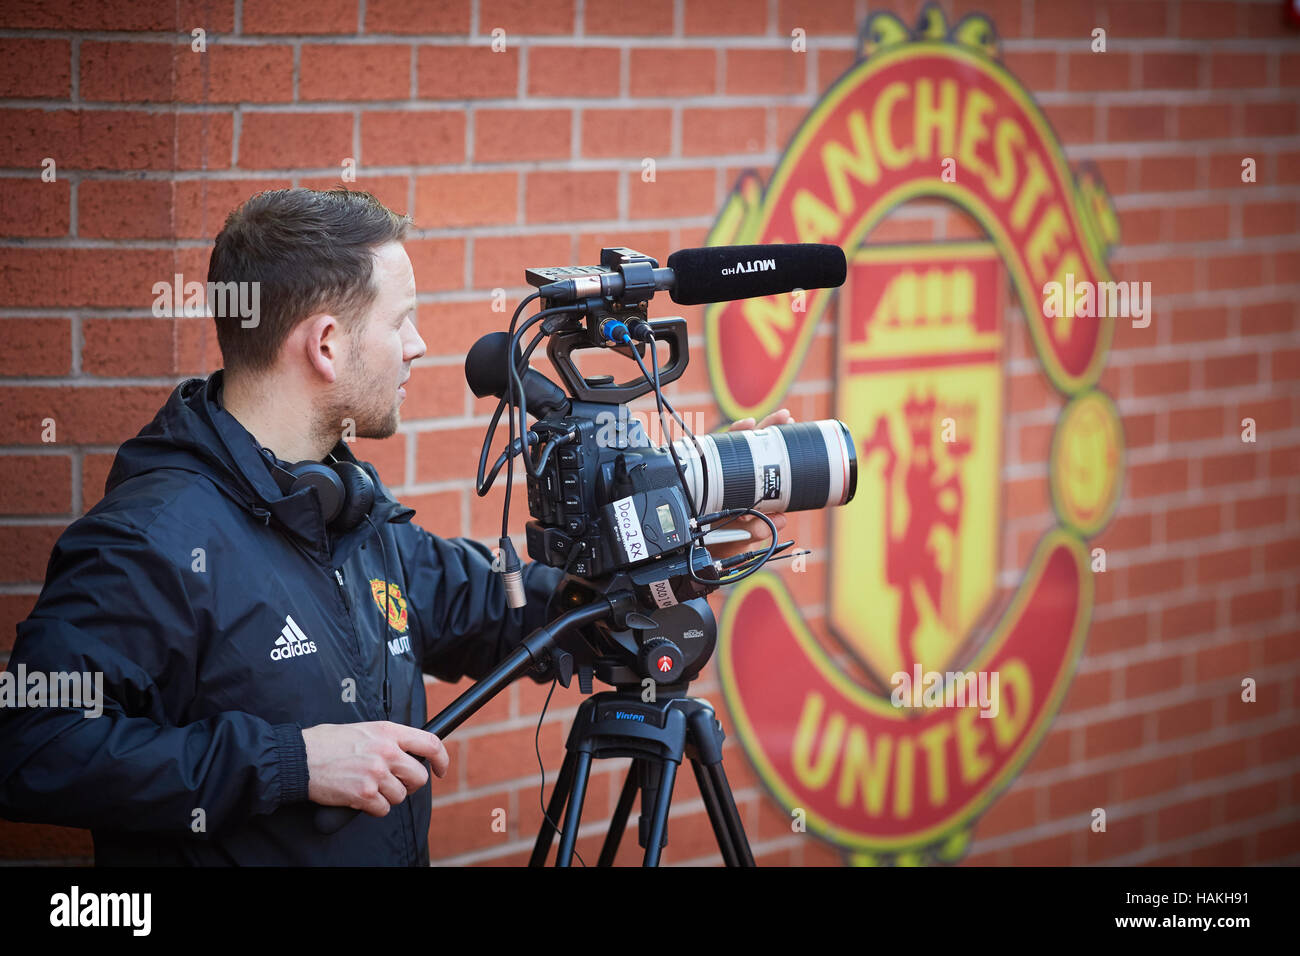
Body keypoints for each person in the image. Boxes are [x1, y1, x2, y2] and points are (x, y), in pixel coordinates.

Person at [0, 187, 790, 866]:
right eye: (402, 321)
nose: (418, 347)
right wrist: (292, 761)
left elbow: (513, 610)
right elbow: (30, 744)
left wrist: (685, 523)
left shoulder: (347, 511)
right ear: (327, 345)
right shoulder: (152, 539)